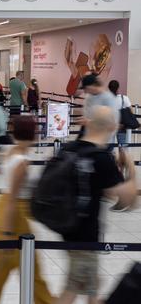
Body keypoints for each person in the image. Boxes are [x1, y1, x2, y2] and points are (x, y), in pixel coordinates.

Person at [55, 106, 137, 304]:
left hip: (66, 228)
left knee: (92, 286)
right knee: (72, 290)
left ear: (88, 122)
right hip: (85, 236)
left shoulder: (69, 149)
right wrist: (130, 166)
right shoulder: (102, 159)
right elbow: (127, 201)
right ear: (113, 127)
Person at [0, 116, 54, 303]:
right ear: (32, 133)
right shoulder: (22, 161)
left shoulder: (10, 151)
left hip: (2, 209)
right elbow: (13, 197)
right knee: (28, 271)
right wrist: (7, 232)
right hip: (15, 215)